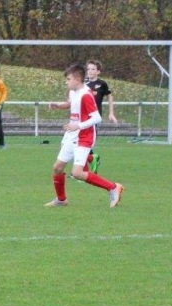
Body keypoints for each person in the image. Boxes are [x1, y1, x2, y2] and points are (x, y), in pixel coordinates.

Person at [44, 63, 124, 208]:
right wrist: (59, 105)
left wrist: (78, 125)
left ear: (77, 80)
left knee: (77, 173)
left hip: (84, 136)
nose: (66, 82)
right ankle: (61, 200)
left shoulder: (86, 95)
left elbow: (97, 118)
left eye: (68, 79)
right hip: (72, 134)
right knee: (57, 167)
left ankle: (113, 187)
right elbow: (71, 103)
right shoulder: (73, 92)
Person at [84, 60, 118, 173]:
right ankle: (91, 161)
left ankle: (87, 167)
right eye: (88, 69)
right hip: (83, 117)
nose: (90, 71)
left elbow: (110, 96)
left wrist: (111, 113)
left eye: (93, 69)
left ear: (98, 71)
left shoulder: (102, 84)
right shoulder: (83, 83)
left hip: (94, 117)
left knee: (84, 143)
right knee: (79, 142)